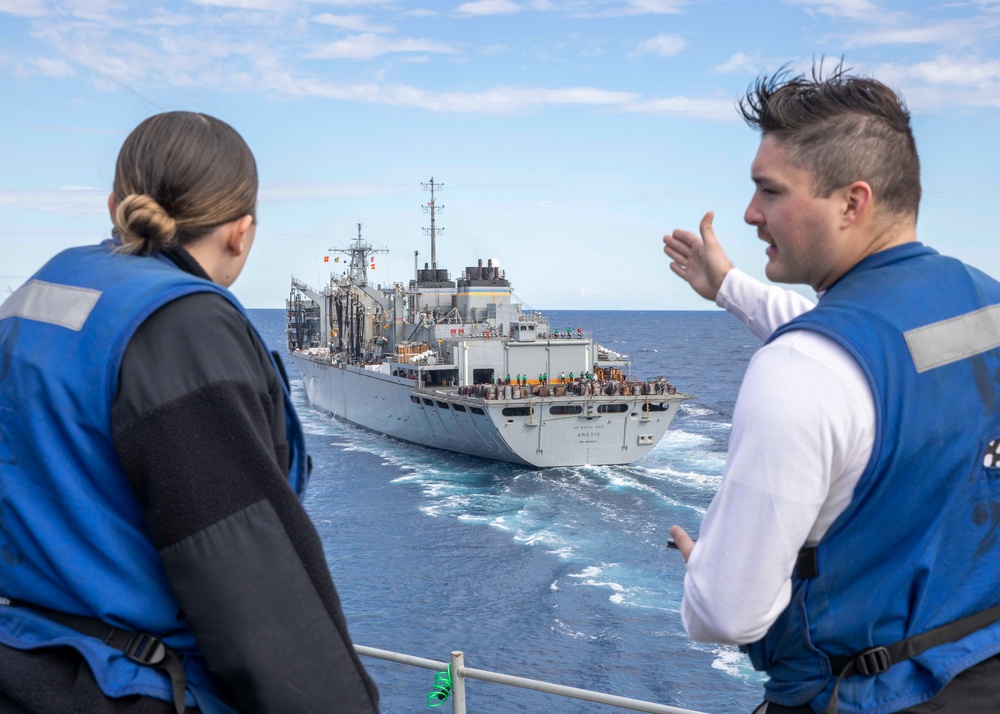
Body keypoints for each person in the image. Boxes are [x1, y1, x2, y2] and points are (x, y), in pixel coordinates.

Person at [0, 112, 379, 713]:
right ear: (242, 232)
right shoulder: (182, 328)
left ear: (113, 205)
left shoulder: (36, 294)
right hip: (127, 689)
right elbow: (246, 575)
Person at [662, 64, 1000, 713]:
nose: (750, 212)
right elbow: (877, 360)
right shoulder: (980, 304)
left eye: (771, 191)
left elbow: (725, 616)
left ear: (853, 202)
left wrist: (706, 568)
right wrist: (729, 284)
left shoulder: (798, 372)